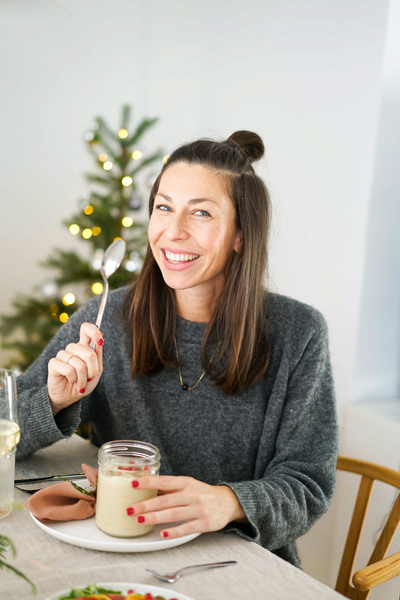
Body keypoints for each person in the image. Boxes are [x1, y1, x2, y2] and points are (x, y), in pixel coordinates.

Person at [15, 131, 338, 568]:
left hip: (235, 563)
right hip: (118, 551)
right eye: (163, 207)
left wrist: (227, 502)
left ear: (240, 234)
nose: (173, 231)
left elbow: (308, 486)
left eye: (201, 212)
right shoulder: (107, 317)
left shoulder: (298, 334)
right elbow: (3, 425)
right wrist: (53, 400)